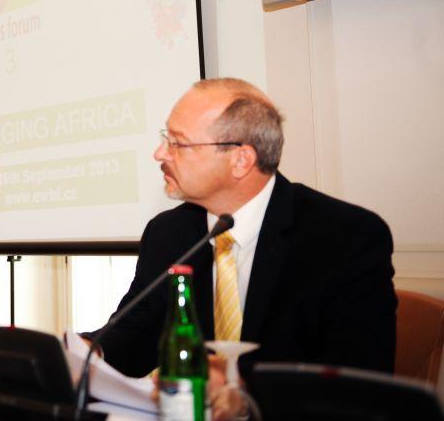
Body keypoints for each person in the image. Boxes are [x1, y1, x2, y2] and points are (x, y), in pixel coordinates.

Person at [92, 78, 397, 378]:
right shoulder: (168, 232)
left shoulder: (346, 237)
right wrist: (86, 353)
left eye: (178, 143)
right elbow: (135, 336)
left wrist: (243, 394)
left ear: (241, 160)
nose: (160, 154)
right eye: (165, 138)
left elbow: (356, 379)